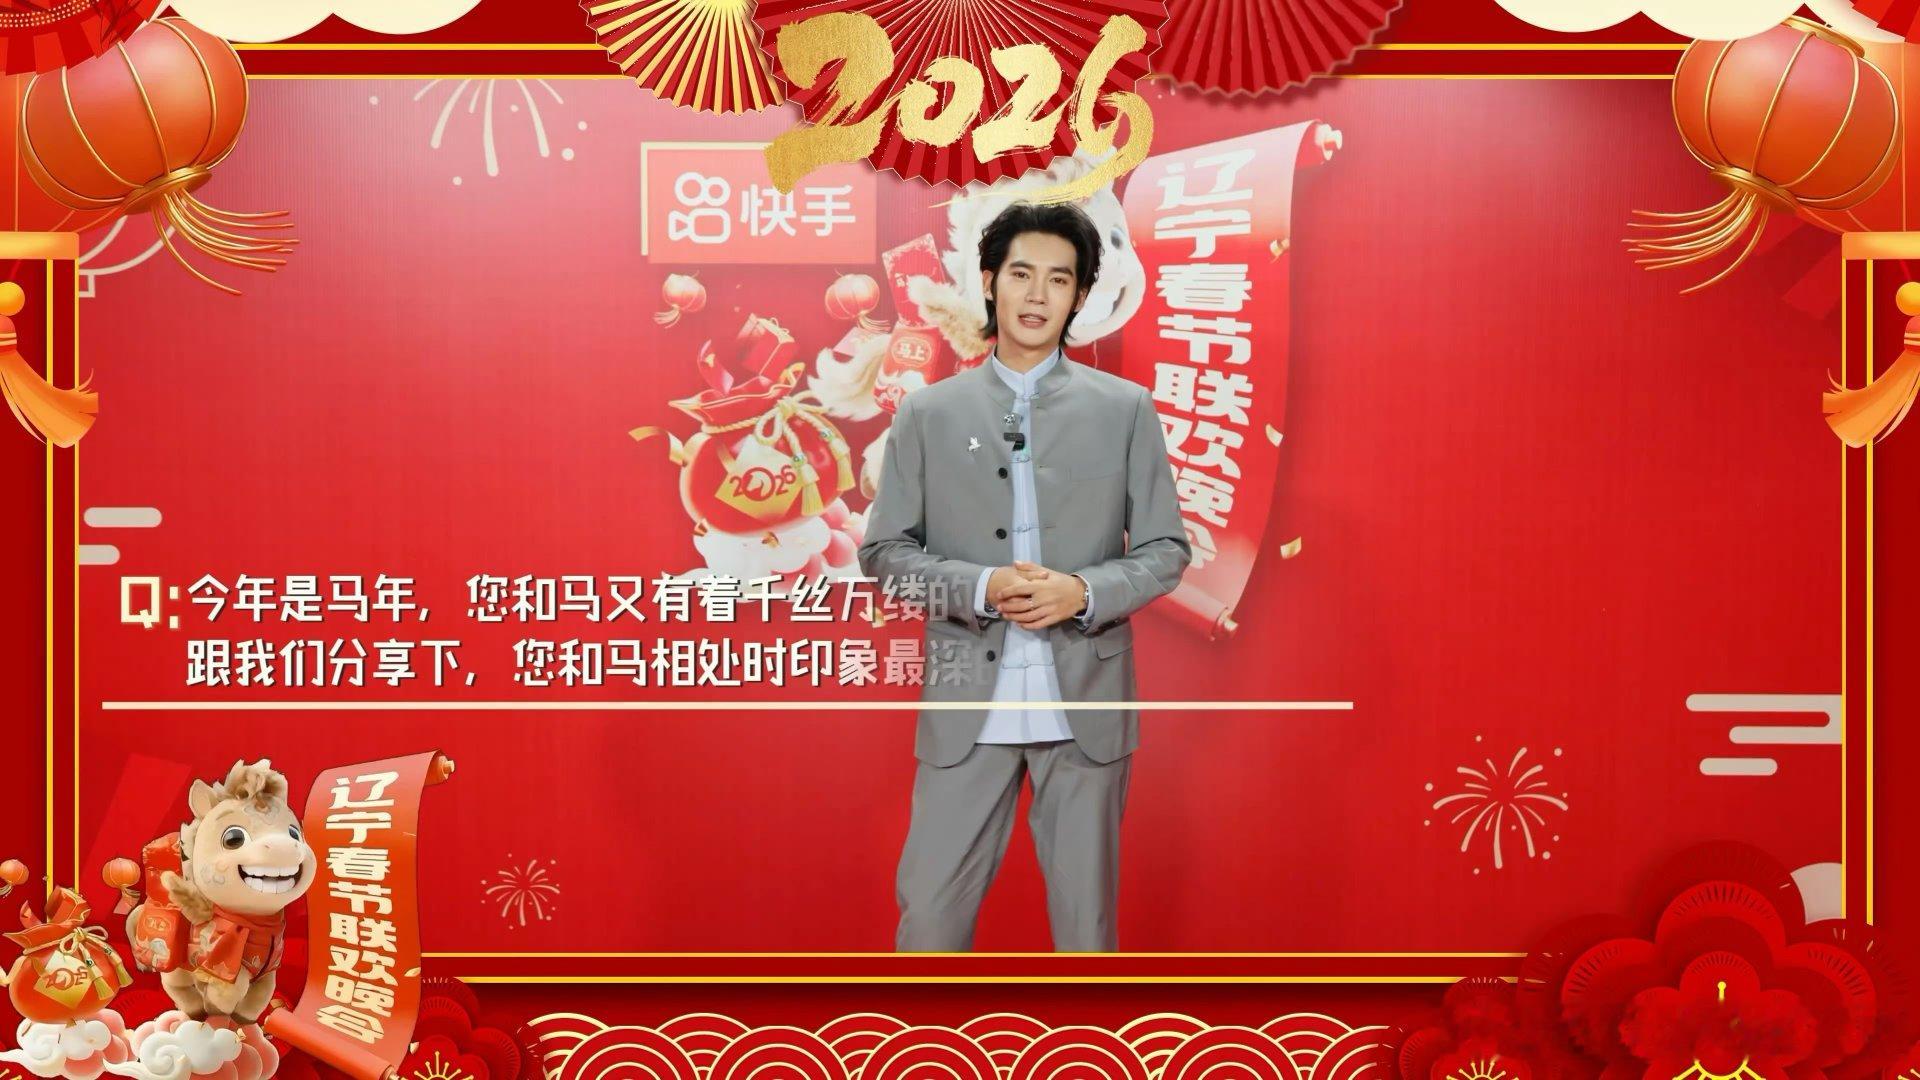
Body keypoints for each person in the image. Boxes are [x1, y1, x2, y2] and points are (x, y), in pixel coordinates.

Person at [856, 200, 1192, 952]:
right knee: (930, 922)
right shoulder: (928, 413)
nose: (1038, 295)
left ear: (1081, 295)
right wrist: (980, 587)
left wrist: (1085, 592)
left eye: (1059, 279)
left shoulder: (1125, 409)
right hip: (967, 708)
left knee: (1086, 934)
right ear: (989, 282)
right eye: (1021, 274)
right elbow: (884, 555)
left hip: (1087, 705)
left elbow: (1166, 549)